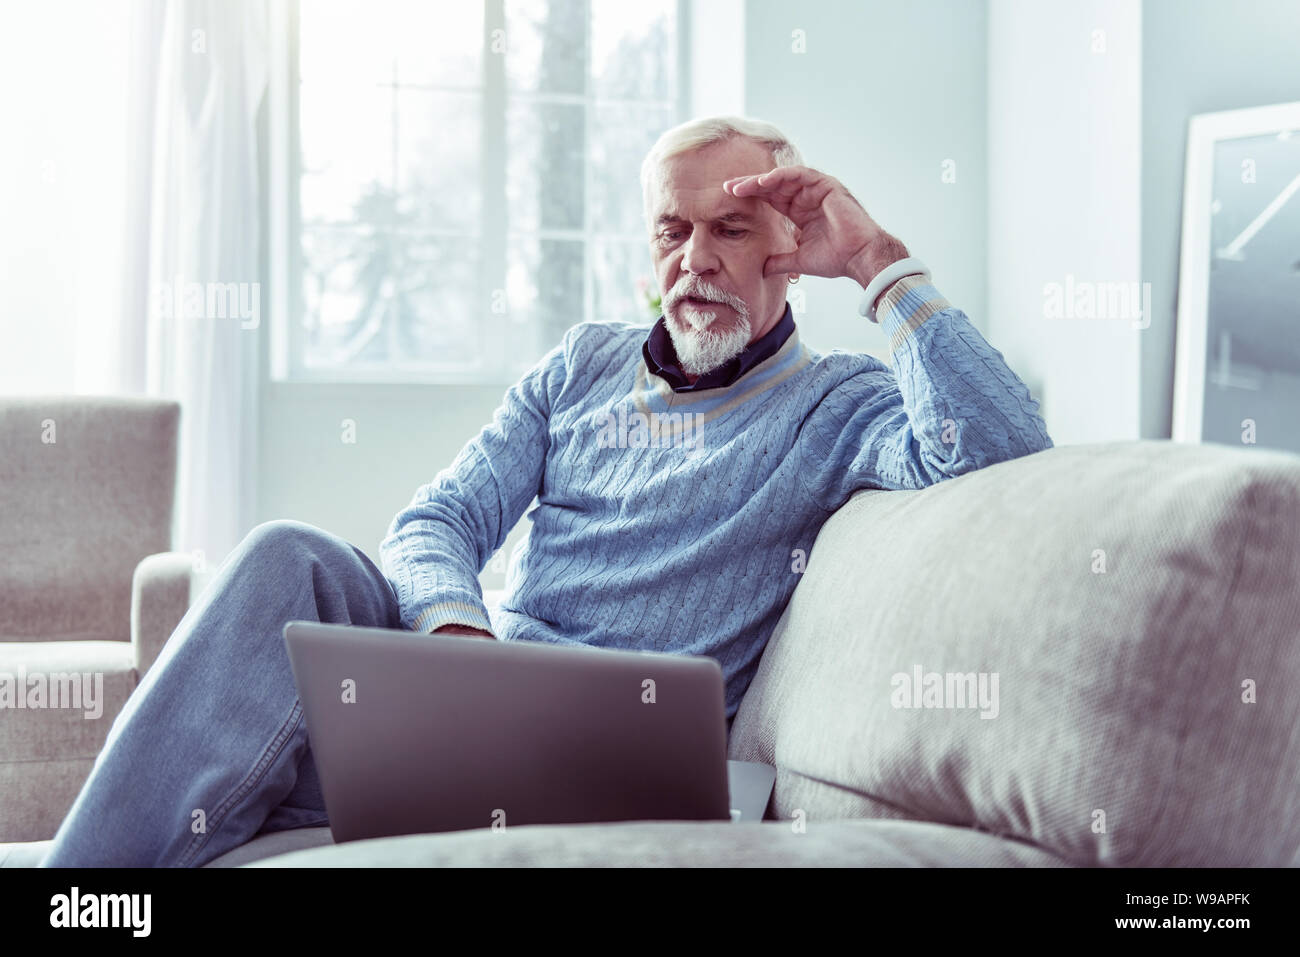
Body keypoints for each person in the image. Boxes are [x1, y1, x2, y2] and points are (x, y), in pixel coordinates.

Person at [40, 115, 1052, 867]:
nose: (693, 259)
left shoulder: (839, 404)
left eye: (730, 232)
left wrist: (876, 262)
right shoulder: (581, 366)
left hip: (607, 757)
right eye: (669, 231)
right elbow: (437, 519)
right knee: (284, 557)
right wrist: (453, 639)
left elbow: (1005, 449)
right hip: (469, 700)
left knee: (246, 765)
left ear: (789, 249)